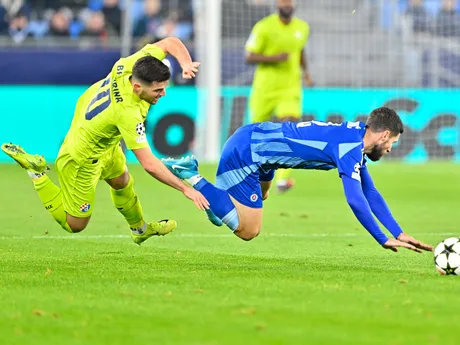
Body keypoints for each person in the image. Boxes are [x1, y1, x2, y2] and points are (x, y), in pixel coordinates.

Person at [2, 37, 209, 245]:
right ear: (137, 87)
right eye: (157, 90)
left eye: (164, 88)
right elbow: (150, 164)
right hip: (82, 157)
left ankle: (139, 230)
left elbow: (169, 43)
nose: (163, 94)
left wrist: (185, 63)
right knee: (75, 224)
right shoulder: (128, 113)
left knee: (121, 180)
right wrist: (186, 189)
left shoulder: (130, 65)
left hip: (103, 141)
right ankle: (36, 173)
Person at [163, 107, 433, 253]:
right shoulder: (349, 148)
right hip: (250, 151)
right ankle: (193, 175)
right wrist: (381, 238)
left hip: (263, 150)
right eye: (392, 144)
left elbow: (370, 192)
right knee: (248, 230)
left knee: (258, 198)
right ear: (384, 135)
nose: (389, 150)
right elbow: (355, 199)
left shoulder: (354, 137)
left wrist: (397, 232)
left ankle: (214, 201)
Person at [245, 0, 313, 193]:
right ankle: (253, 173)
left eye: (290, 1)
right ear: (277, 4)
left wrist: (306, 73)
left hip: (290, 87)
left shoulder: (302, 27)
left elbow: (300, 51)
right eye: (283, 1)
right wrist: (275, 58)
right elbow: (249, 56)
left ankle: (283, 179)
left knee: (289, 128)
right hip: (265, 88)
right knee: (257, 134)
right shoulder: (264, 27)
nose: (287, 4)